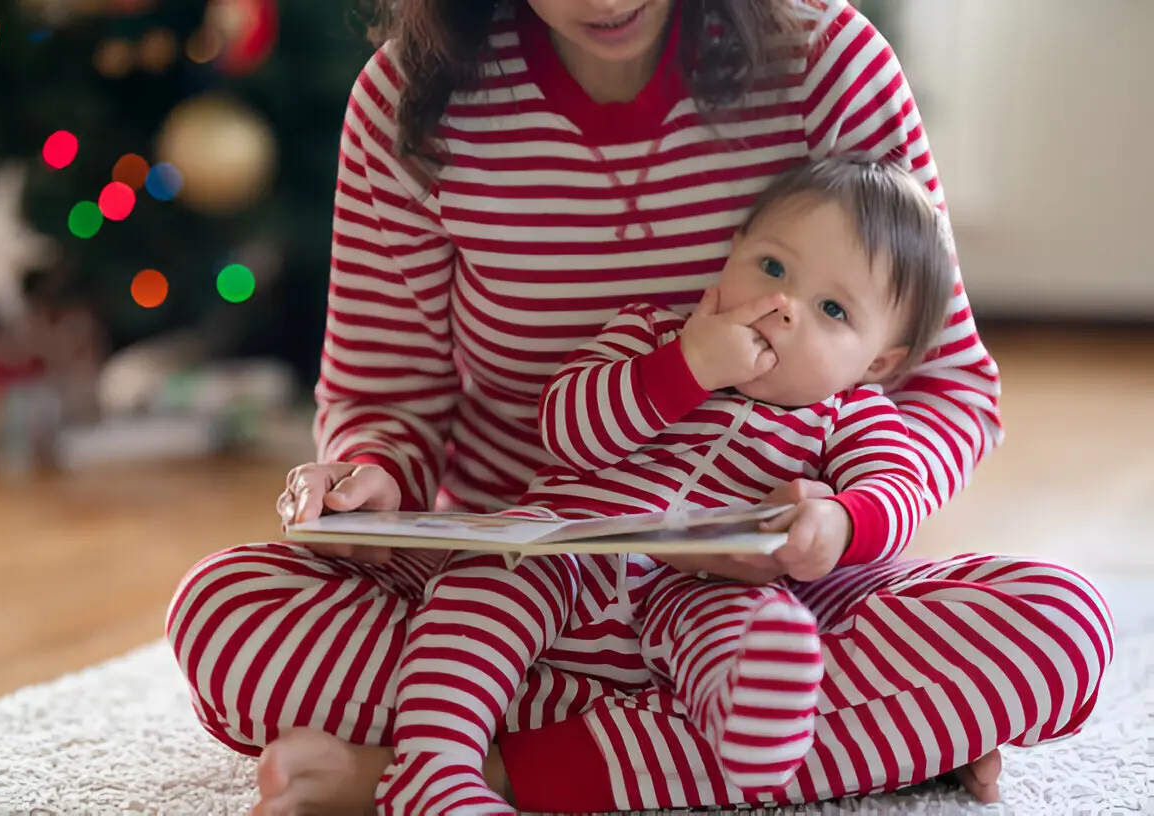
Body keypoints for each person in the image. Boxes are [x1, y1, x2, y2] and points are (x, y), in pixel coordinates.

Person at [165, 0, 1115, 813]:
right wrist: (365, 479)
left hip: (772, 595)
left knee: (1061, 626)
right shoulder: (408, 104)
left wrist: (840, 523)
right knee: (223, 611)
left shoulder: (825, 64)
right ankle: (841, 738)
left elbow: (942, 386)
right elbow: (391, 397)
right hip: (520, 574)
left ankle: (459, 769)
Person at [374, 155, 958, 814]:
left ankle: (750, 730)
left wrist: (842, 524)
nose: (783, 308)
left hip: (702, 590)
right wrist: (686, 366)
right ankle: (434, 767)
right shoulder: (650, 334)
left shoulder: (848, 414)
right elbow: (566, 427)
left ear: (877, 361)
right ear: (732, 253)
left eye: (832, 309)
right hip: (563, 557)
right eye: (770, 268)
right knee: (481, 584)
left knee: (757, 628)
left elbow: (897, 487)